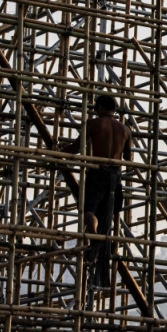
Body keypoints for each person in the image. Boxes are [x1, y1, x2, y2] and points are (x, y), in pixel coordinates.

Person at [61, 94, 131, 286]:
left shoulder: (94, 124)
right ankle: (102, 239)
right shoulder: (125, 130)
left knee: (89, 210)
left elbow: (75, 148)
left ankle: (94, 234)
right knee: (108, 213)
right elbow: (128, 158)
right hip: (115, 178)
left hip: (98, 173)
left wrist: (57, 152)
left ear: (100, 107)